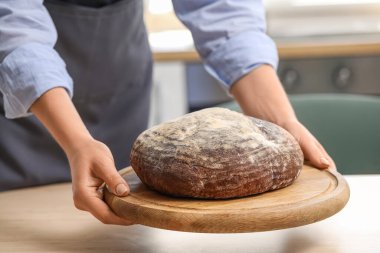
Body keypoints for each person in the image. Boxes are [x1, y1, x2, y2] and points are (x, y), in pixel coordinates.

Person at [0, 0, 335, 225]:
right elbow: (12, 23)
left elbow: (220, 8)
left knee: (113, 224)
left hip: (119, 63)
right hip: (19, 98)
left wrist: (280, 123)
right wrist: (76, 142)